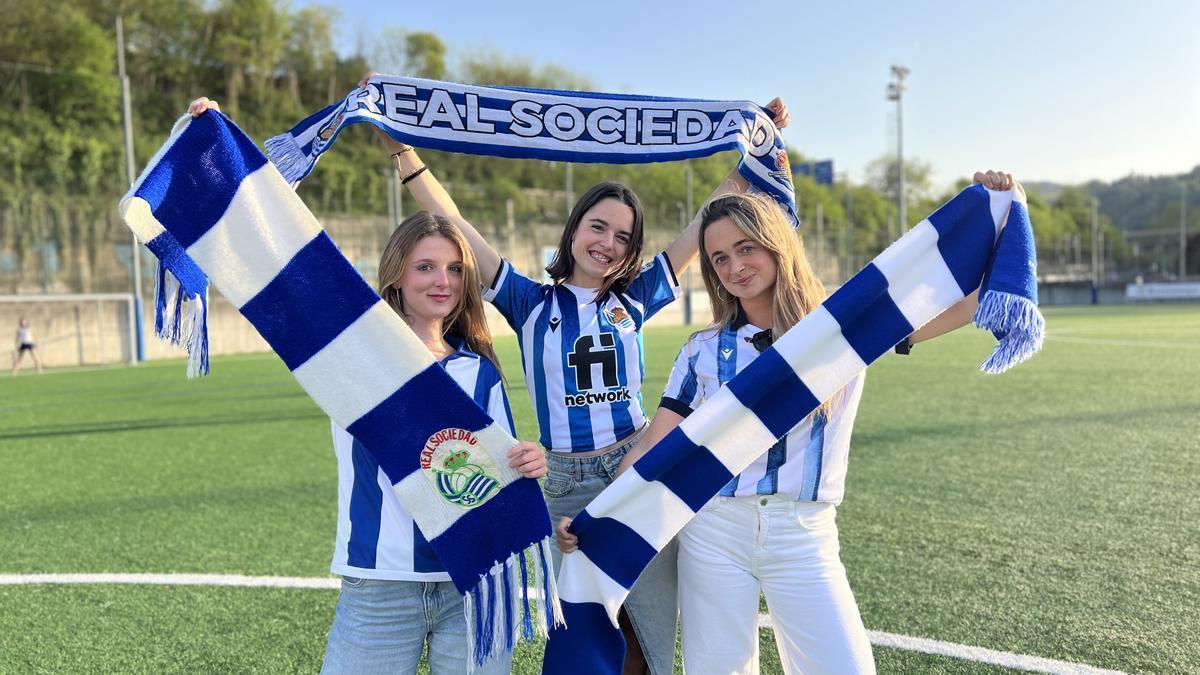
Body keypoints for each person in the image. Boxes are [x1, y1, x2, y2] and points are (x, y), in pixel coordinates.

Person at [366, 74, 789, 674]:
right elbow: (452, 221)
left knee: (645, 626)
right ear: (575, 229)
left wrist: (754, 149)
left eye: (623, 236)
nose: (608, 243)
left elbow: (703, 224)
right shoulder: (529, 301)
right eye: (598, 227)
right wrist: (400, 148)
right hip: (563, 481)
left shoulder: (638, 297)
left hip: (637, 467)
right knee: (587, 631)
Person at [558, 171, 1017, 674]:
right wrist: (594, 515)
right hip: (714, 532)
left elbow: (963, 302)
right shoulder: (701, 350)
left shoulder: (840, 329)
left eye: (746, 248)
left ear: (776, 246)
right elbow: (654, 443)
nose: (735, 266)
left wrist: (1002, 210)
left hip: (803, 534)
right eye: (719, 258)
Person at [187, 97, 549, 674]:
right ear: (397, 273)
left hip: (470, 581)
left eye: (455, 269)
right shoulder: (352, 351)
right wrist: (213, 152)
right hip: (379, 585)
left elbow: (499, 461)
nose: (443, 281)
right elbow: (273, 250)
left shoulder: (479, 371)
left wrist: (529, 460)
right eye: (426, 266)